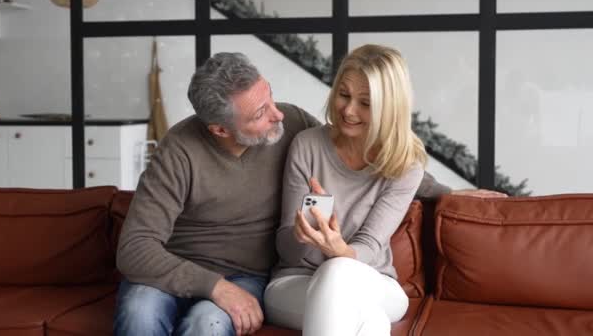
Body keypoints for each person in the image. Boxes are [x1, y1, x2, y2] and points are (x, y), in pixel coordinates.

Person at [114, 51, 504, 336]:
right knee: (139, 311)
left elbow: (381, 160)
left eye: (270, 99)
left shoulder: (292, 124)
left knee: (213, 320)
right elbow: (134, 248)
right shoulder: (182, 151)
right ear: (220, 130)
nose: (278, 114)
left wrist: (453, 195)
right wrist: (222, 284)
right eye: (261, 113)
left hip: (297, 275)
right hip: (213, 271)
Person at [264, 44, 432, 335]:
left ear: (390, 107)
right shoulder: (308, 145)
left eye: (365, 103)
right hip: (296, 282)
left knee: (339, 271)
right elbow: (288, 251)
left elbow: (369, 244)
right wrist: (304, 234)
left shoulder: (406, 164)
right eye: (343, 95)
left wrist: (338, 250)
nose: (349, 111)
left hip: (375, 283)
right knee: (371, 322)